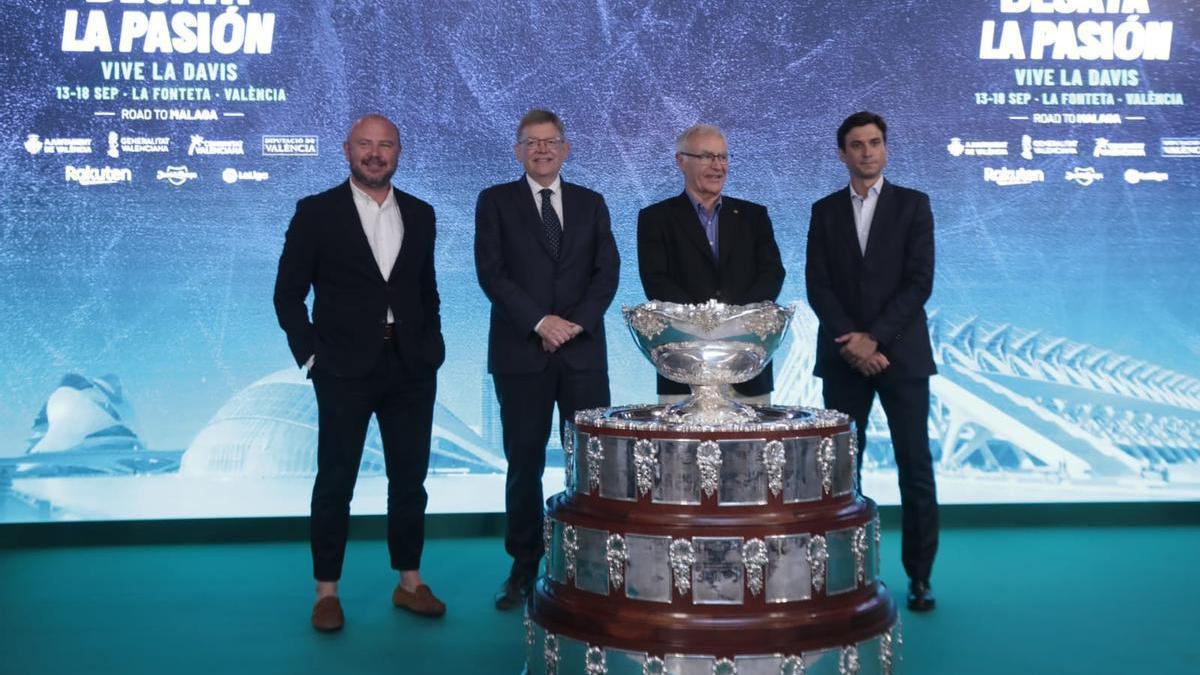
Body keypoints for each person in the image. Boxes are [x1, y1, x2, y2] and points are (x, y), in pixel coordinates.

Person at [274, 113, 447, 631]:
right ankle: (326, 592)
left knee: (410, 481)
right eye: (365, 145)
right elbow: (287, 294)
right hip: (344, 368)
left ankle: (410, 582)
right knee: (335, 482)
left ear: (399, 152)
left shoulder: (421, 213)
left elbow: (426, 290)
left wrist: (432, 345)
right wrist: (311, 355)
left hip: (412, 365)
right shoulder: (316, 212)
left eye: (386, 145)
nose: (376, 153)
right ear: (347, 150)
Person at [475, 109, 620, 610]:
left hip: (582, 354)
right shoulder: (494, 201)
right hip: (522, 354)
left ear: (566, 149)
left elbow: (607, 274)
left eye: (551, 141)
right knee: (524, 463)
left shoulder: (592, 203)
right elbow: (492, 275)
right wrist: (542, 322)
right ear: (518, 151)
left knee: (590, 464)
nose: (542, 150)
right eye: (531, 142)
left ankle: (592, 564)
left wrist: (572, 324)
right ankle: (523, 563)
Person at [805, 111, 939, 611]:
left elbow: (918, 282)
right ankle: (846, 575)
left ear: (886, 149)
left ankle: (920, 577)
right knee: (841, 473)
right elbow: (818, 283)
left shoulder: (913, 205)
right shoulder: (823, 211)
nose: (867, 152)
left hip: (901, 358)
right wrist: (852, 343)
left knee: (915, 468)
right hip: (843, 361)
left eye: (875, 143)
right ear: (842, 154)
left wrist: (875, 340)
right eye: (857, 145)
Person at [636, 123, 785, 402]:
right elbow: (656, 281)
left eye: (723, 157)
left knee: (749, 445)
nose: (718, 166)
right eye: (706, 156)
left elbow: (772, 273)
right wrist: (705, 327)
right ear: (681, 161)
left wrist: (733, 325)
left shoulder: (754, 216)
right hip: (683, 365)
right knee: (682, 446)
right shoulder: (655, 219)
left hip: (747, 364)